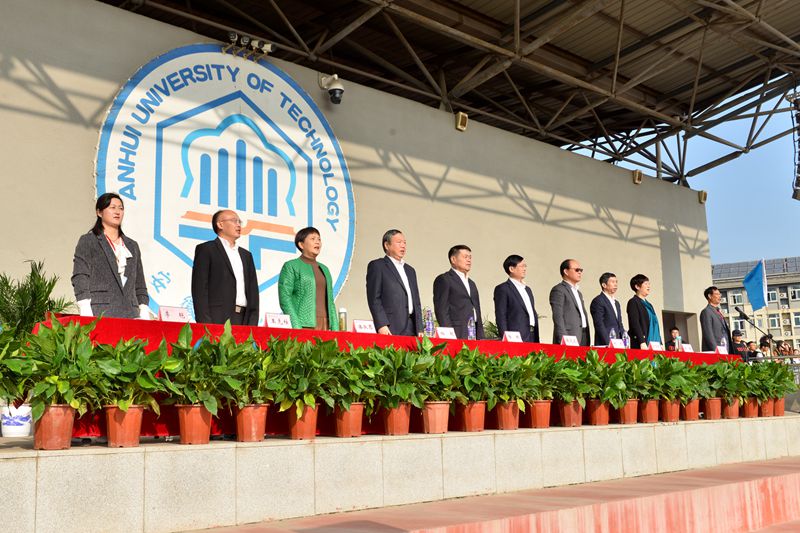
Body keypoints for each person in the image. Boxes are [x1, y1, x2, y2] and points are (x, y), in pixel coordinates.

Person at [72, 192, 150, 319]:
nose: (117, 212)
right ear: (99, 212)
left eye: (121, 208)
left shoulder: (132, 246)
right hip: (100, 312)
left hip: (131, 314)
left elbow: (140, 283)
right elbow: (80, 276)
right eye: (112, 207)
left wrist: (144, 309)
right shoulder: (89, 241)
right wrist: (85, 307)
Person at [191, 210, 259, 325]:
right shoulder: (206, 249)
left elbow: (253, 292)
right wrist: (205, 324)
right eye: (234, 221)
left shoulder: (246, 255)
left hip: (244, 319)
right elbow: (199, 289)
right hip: (217, 318)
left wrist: (253, 322)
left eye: (239, 222)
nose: (238, 225)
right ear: (220, 224)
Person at [278, 227, 338, 330]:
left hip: (326, 325)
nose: (317, 242)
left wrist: (335, 327)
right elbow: (285, 298)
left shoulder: (325, 269)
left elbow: (331, 301)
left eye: (319, 239)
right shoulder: (291, 266)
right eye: (313, 239)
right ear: (301, 244)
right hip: (303, 324)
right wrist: (296, 325)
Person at [366, 229, 423, 336]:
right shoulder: (378, 266)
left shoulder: (410, 270)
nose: (403, 246)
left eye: (404, 243)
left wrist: (420, 328)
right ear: (387, 245)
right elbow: (374, 299)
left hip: (412, 327)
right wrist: (381, 325)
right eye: (399, 242)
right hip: (390, 327)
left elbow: (417, 302)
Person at [433, 245, 484, 340]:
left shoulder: (471, 283)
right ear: (453, 259)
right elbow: (441, 310)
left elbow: (477, 310)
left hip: (474, 333)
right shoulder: (444, 279)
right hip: (456, 332)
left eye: (470, 257)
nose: (469, 260)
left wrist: (481, 336)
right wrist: (448, 334)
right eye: (465, 257)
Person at [493, 255, 539, 343]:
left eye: (525, 266)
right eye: (522, 266)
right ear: (511, 269)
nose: (524, 269)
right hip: (515, 337)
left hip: (532, 335)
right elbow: (501, 316)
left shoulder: (527, 289)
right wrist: (505, 338)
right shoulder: (503, 289)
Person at [549, 259, 590, 345]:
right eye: (576, 270)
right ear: (566, 272)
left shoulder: (578, 293)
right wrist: (563, 338)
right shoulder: (559, 290)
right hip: (569, 336)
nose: (579, 272)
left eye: (581, 270)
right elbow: (558, 317)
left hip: (583, 334)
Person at [626, 274, 662, 349]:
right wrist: (642, 341)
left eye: (649, 284)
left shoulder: (649, 305)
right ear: (637, 286)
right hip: (642, 343)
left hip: (654, 343)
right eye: (645, 284)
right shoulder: (633, 302)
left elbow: (655, 324)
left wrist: (660, 343)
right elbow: (635, 323)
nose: (648, 286)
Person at [589, 272, 624, 346]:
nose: (615, 284)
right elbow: (599, 324)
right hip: (605, 343)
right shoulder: (598, 301)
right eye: (612, 282)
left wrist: (624, 341)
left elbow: (619, 324)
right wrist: (609, 343)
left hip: (619, 343)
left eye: (616, 282)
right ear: (604, 285)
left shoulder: (616, 303)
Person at [699, 286, 731, 352]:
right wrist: (716, 350)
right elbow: (708, 334)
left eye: (720, 294)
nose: (720, 296)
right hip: (716, 350)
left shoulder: (718, 311)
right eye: (717, 294)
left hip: (725, 348)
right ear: (709, 296)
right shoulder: (706, 312)